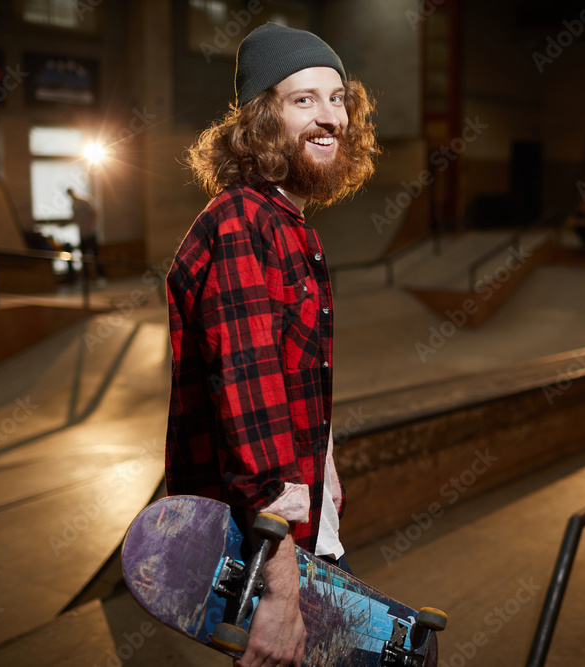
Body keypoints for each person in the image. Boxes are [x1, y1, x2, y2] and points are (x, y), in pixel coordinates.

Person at [164, 23, 379, 667]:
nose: (329, 117)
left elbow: (296, 379)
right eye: (303, 100)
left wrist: (327, 473)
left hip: (298, 534)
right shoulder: (240, 223)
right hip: (263, 549)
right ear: (261, 120)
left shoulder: (291, 227)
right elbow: (248, 406)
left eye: (337, 98)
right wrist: (279, 591)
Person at [66, 188, 106, 282]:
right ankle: (87, 278)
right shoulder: (73, 206)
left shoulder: (84, 202)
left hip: (90, 233)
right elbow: (74, 219)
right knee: (84, 257)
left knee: (95, 256)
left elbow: (94, 213)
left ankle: (101, 277)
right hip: (82, 234)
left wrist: (89, 225)